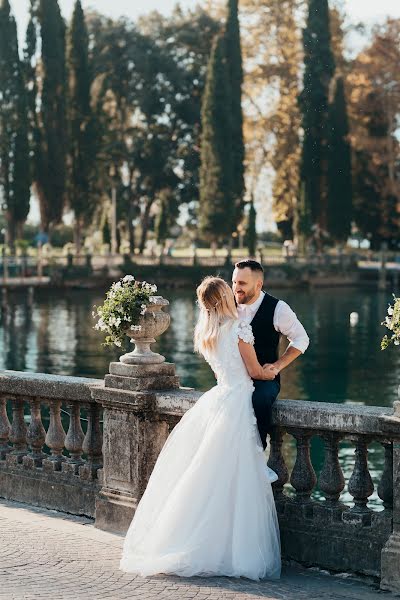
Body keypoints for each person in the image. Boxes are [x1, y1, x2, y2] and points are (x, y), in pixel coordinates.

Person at [119, 276, 281, 581]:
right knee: (235, 478)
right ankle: (231, 551)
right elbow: (255, 371)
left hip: (219, 398)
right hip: (238, 401)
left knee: (206, 475)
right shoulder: (239, 329)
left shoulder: (205, 332)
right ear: (224, 298)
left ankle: (192, 540)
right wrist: (272, 370)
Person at [232, 260, 309, 450]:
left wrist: (278, 365)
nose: (236, 288)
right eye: (234, 282)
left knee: (260, 399)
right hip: (233, 378)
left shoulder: (278, 308)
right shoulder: (227, 306)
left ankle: (257, 450)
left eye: (242, 284)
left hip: (264, 380)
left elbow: (301, 339)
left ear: (258, 285)